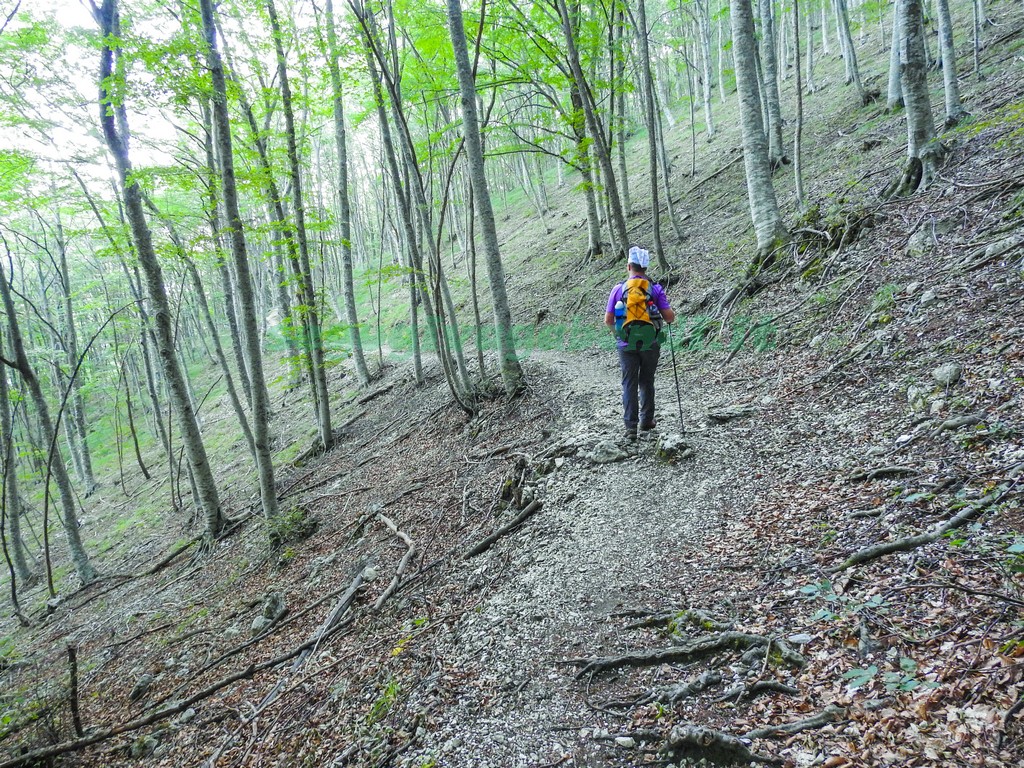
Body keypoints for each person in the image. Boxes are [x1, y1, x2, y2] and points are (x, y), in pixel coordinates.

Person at [604, 246, 676, 441]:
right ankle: (646, 421)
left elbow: (608, 320)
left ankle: (630, 428)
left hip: (626, 343)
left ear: (629, 266)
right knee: (646, 380)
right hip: (650, 341)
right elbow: (669, 317)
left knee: (629, 383)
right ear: (645, 267)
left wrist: (618, 335)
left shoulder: (618, 289)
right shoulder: (655, 288)